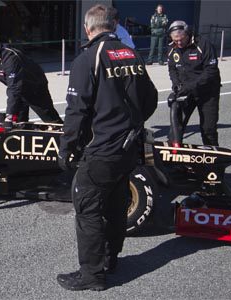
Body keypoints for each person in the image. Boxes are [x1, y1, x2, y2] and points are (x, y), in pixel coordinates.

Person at [57, 4, 158, 291]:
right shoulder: (131, 54)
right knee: (115, 205)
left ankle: (91, 275)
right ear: (113, 26)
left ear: (88, 28)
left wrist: (67, 148)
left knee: (87, 208)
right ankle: (111, 260)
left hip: (101, 150)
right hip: (129, 148)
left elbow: (76, 111)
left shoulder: (88, 58)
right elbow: (149, 100)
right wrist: (129, 125)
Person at [0, 30, 63, 124]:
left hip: (34, 87)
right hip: (18, 90)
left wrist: (9, 116)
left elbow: (13, 88)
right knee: (18, 123)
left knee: (50, 119)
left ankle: (66, 135)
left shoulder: (10, 57)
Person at [166, 20, 221, 146]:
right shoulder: (171, 47)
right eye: (175, 40)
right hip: (186, 92)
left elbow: (211, 71)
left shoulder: (203, 44)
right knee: (176, 128)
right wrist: (175, 83)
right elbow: (172, 68)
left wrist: (189, 87)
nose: (179, 43)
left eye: (181, 39)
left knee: (208, 129)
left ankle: (213, 160)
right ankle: (174, 156)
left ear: (188, 34)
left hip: (207, 92)